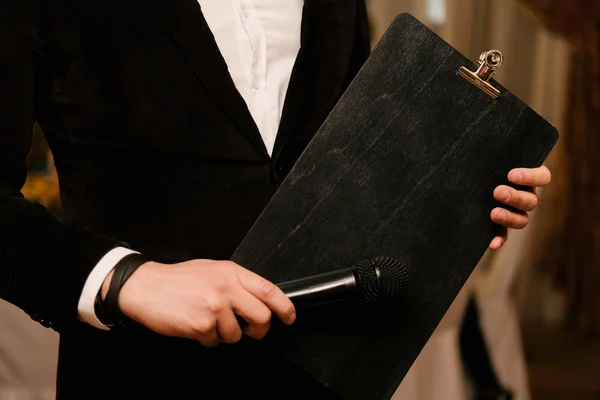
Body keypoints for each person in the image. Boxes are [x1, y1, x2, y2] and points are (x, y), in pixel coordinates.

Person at [0, 0, 552, 398]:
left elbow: (353, 167)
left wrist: (465, 191)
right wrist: (128, 279)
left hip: (328, 369)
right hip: (137, 373)